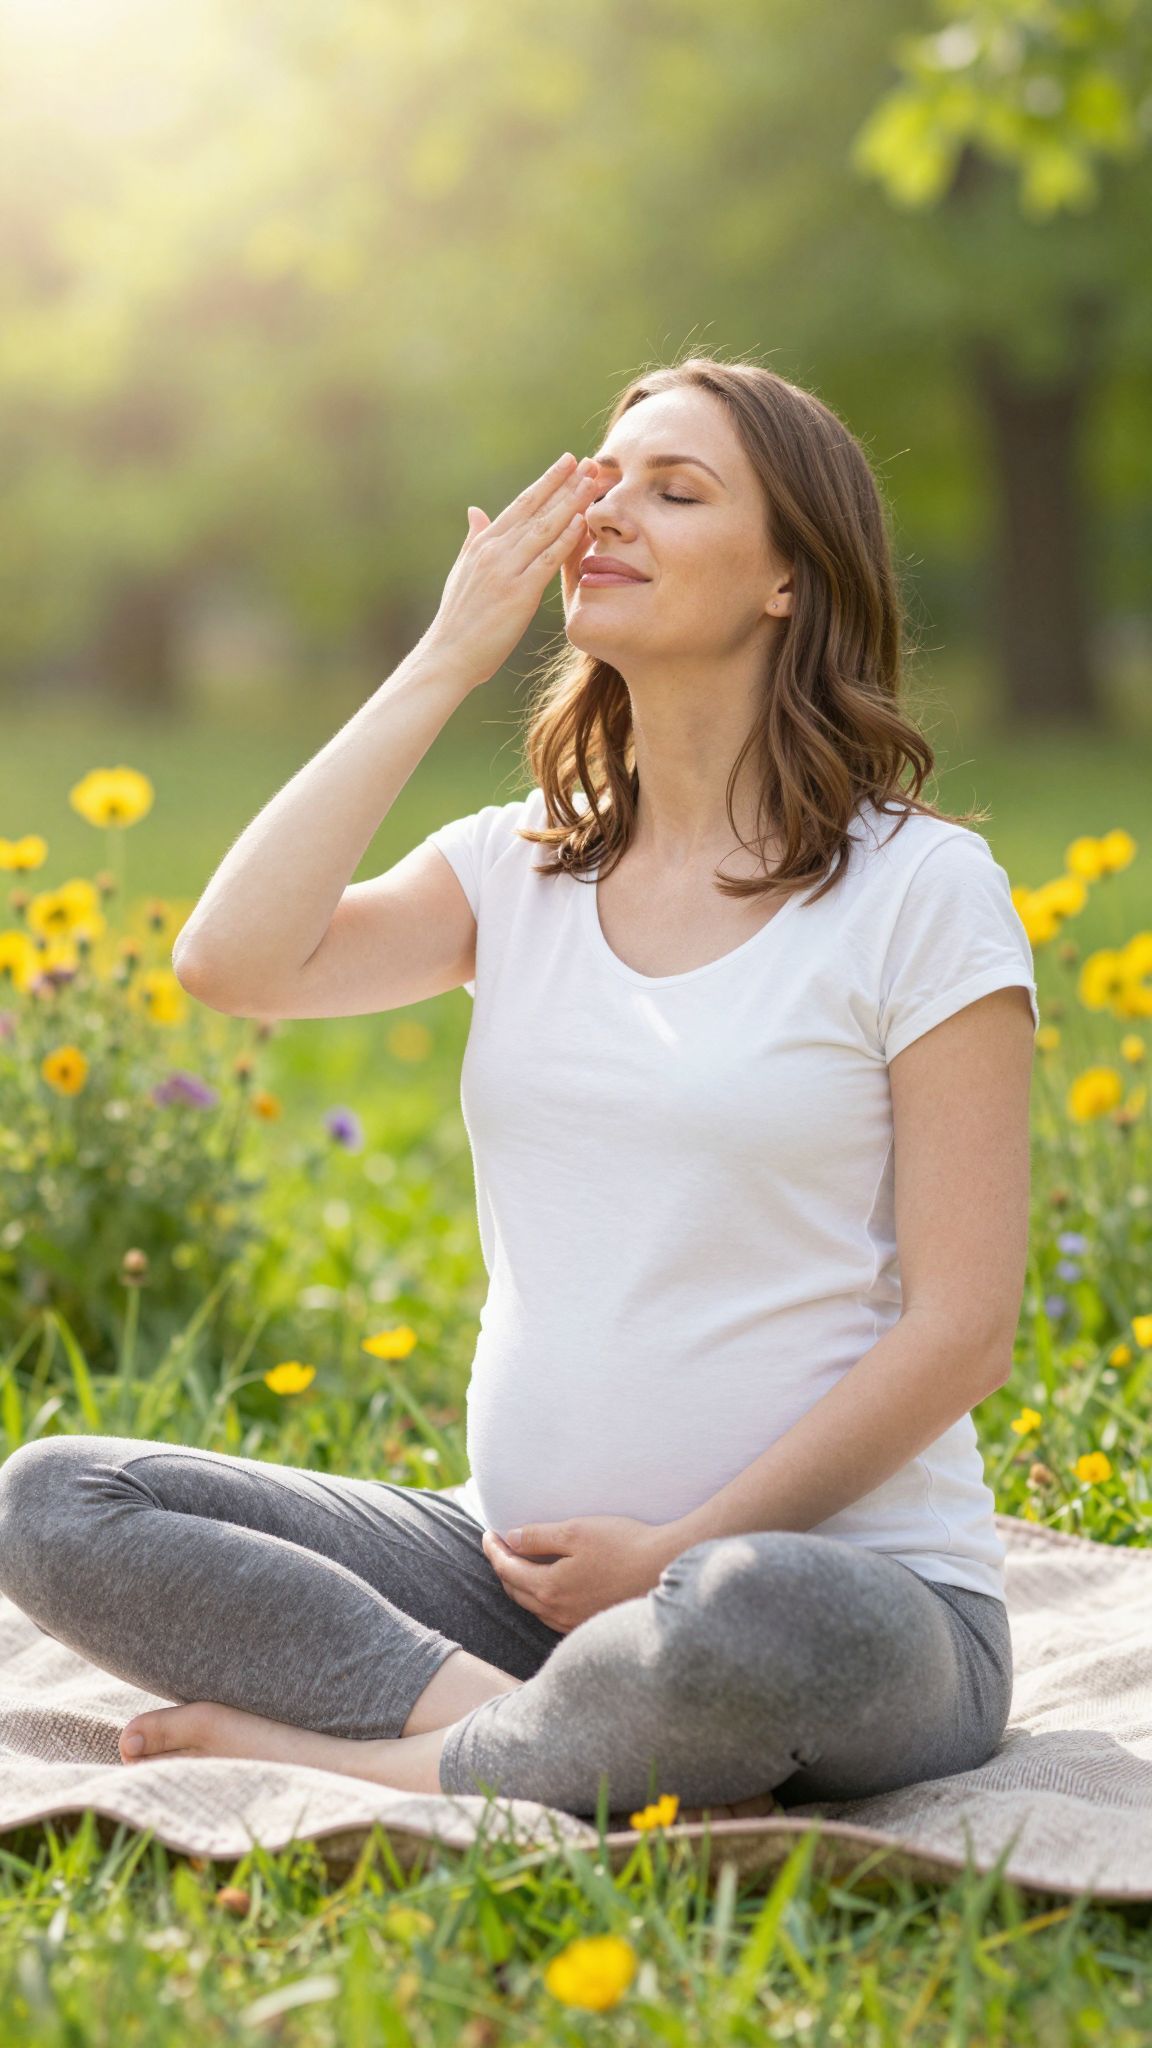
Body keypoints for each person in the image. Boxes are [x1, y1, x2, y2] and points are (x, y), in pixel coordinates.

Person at [0, 357, 1038, 1823]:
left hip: (837, 1598)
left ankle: (393, 1763)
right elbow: (234, 961)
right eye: (604, 484)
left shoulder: (921, 890)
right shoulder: (519, 866)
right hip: (513, 1579)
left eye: (677, 493)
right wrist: (442, 659)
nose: (611, 515)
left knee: (748, 1619)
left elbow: (964, 1331)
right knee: (56, 1499)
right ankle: (538, 1737)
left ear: (788, 582)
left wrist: (675, 1547)